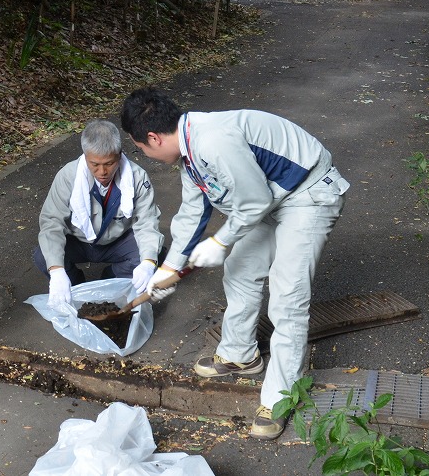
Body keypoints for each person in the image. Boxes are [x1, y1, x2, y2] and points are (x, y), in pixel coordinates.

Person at [120, 87, 349, 440]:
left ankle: (281, 398)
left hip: (307, 194)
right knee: (240, 271)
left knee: (287, 298)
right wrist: (169, 268)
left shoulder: (212, 141)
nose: (145, 155)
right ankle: (241, 355)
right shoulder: (189, 151)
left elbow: (254, 201)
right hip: (270, 199)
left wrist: (221, 240)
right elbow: (194, 210)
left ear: (153, 137)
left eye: (141, 149)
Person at [34, 119, 164, 308]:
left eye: (109, 163)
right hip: (78, 241)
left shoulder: (137, 177)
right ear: (85, 156)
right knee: (43, 255)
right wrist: (56, 271)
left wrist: (148, 263)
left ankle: (110, 278)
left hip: (116, 242)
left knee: (152, 254)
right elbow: (52, 222)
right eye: (94, 164)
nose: (102, 172)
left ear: (119, 156)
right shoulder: (68, 176)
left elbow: (147, 222)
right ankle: (75, 284)